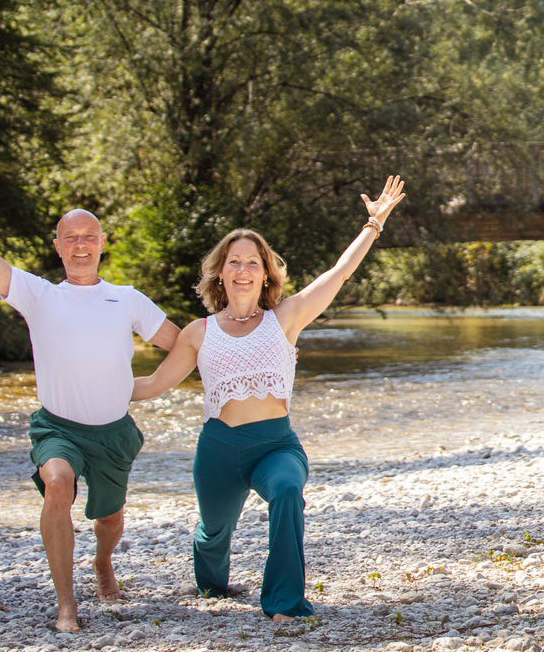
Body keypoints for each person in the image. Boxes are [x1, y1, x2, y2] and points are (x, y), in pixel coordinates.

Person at [0, 126, 181, 632]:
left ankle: (103, 560)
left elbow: (185, 343)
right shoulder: (38, 294)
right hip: (57, 428)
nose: (81, 245)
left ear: (102, 244)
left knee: (109, 521)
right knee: (57, 483)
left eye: (89, 237)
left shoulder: (127, 298)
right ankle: (67, 604)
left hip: (113, 432)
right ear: (58, 246)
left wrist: (151, 386)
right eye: (71, 238)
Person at [131, 175, 405, 621]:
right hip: (218, 448)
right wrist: (92, 387)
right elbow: (152, 384)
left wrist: (372, 225)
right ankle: (212, 583)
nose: (243, 270)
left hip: (276, 445)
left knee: (286, 491)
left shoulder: (287, 318)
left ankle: (283, 602)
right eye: (234, 262)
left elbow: (340, 274)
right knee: (214, 532)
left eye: (253, 262)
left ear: (265, 272)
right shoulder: (198, 333)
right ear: (221, 272)